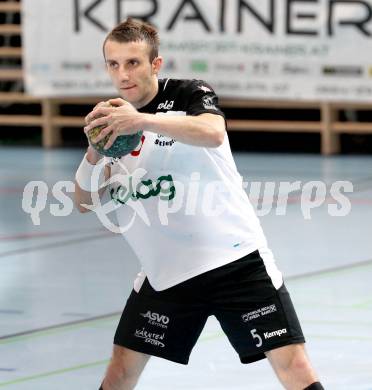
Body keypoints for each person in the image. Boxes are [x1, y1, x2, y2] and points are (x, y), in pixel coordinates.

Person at [74, 18, 324, 390]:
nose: (123, 73)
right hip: (166, 277)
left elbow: (212, 132)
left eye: (133, 62)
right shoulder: (113, 128)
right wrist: (95, 151)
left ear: (155, 64)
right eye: (114, 64)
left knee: (293, 364)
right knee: (121, 370)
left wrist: (140, 120)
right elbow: (83, 201)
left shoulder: (189, 94)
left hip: (235, 263)